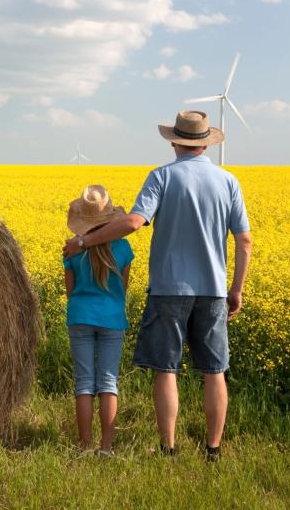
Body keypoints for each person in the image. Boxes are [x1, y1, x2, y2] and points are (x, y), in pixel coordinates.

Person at [63, 111, 252, 462]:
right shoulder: (229, 181)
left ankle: (169, 448)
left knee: (167, 370)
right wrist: (236, 289)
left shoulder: (162, 177)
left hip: (169, 289)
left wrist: (85, 243)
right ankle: (213, 449)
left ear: (174, 141)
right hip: (213, 290)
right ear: (205, 142)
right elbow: (244, 241)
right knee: (215, 371)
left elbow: (134, 222)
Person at [63, 185, 134, 457]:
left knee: (83, 383)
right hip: (112, 317)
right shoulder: (124, 247)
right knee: (108, 382)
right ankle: (106, 448)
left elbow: (70, 291)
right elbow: (123, 288)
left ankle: (84, 447)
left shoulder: (72, 250)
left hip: (80, 315)